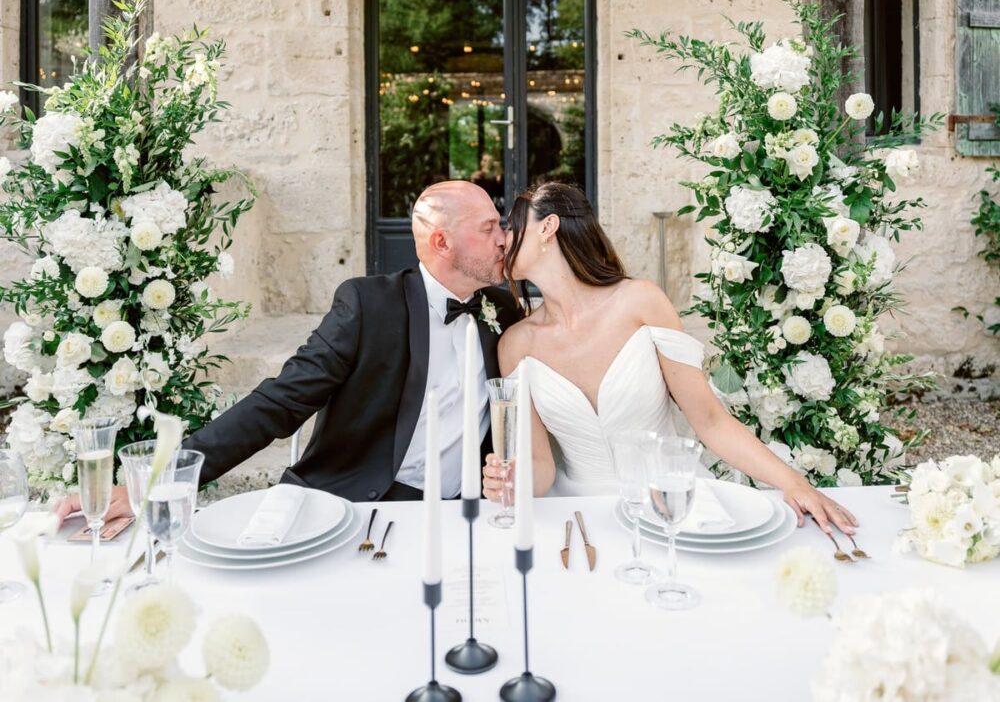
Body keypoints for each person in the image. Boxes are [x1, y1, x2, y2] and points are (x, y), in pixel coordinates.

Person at [55, 180, 520, 524]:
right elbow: (279, 401)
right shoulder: (369, 305)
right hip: (360, 505)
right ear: (442, 242)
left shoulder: (501, 309)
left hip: (467, 515)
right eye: (489, 228)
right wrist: (158, 481)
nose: (504, 238)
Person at [481, 182, 857, 535]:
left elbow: (709, 421)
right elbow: (541, 466)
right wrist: (515, 481)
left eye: (511, 227)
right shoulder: (516, 345)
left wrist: (794, 482)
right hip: (579, 522)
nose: (502, 240)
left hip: (673, 509)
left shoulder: (641, 302)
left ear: (548, 227)